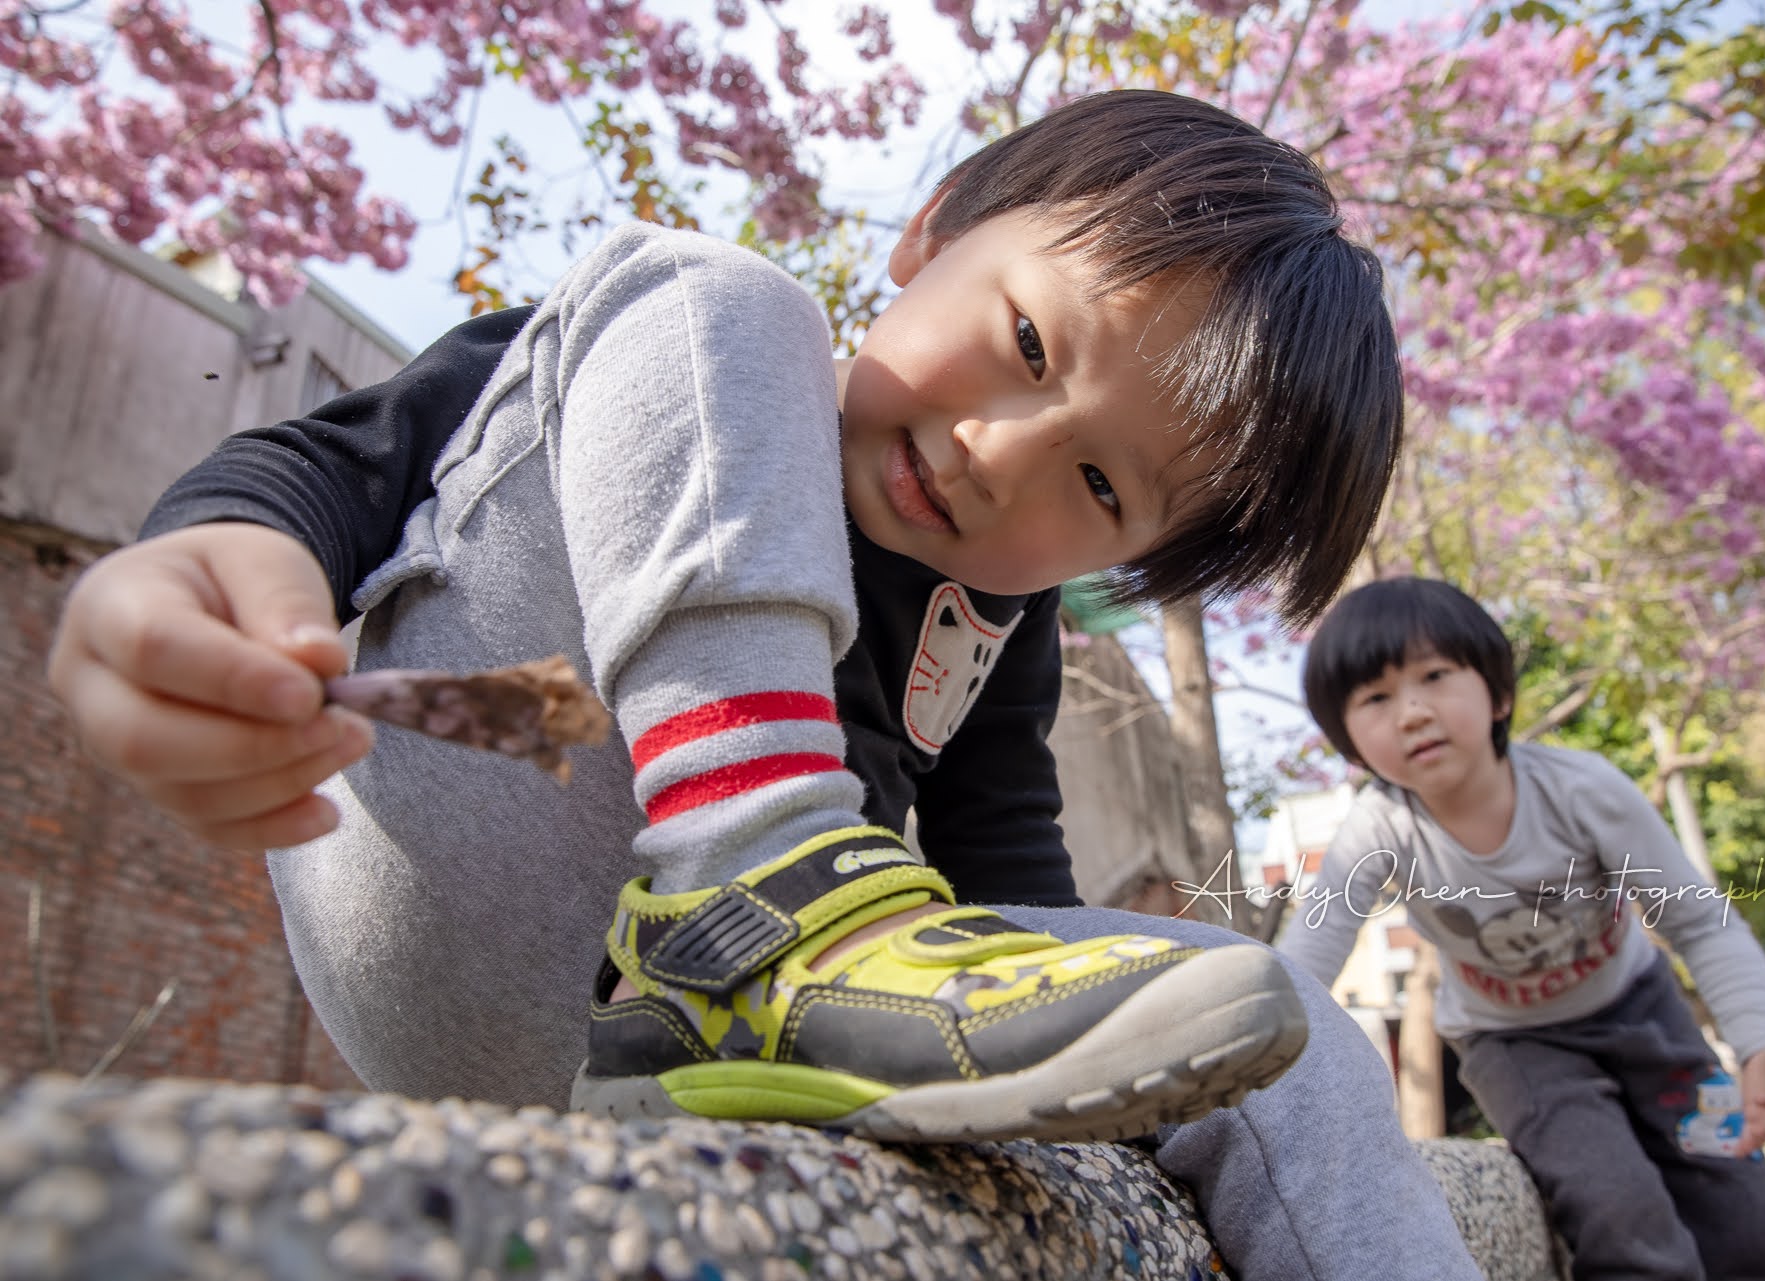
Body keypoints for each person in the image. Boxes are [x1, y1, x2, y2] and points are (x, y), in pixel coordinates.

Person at [50, 92, 1484, 1277]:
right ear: (937, 230)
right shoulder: (689, 361)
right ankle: (751, 870)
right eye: (1032, 343)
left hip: (676, 1063)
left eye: (1102, 482)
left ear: (1138, 555)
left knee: (1279, 1025)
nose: (1002, 448)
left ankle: (773, 942)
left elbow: (1017, 900)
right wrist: (204, 559)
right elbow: (335, 462)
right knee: (723, 294)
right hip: (474, 835)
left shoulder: (999, 620)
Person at [1280, 576, 1765, 1280]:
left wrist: (1764, 1036)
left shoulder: (1583, 791)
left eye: (1435, 676)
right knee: (1628, 1225)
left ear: (1497, 693)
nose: (1411, 711)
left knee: (1754, 1237)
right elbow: (1310, 951)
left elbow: (1698, 920)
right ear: (1351, 742)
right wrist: (1253, 1059)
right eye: (1375, 698)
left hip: (1646, 1017)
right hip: (1516, 1046)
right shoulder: (1379, 828)